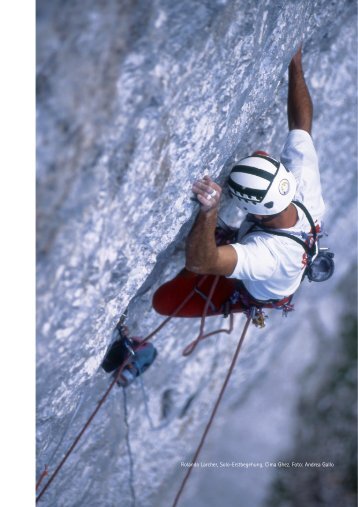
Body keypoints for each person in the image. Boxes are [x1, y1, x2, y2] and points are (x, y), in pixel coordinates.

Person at [153, 47, 325, 317]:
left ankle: (231, 278)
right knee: (260, 157)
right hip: (281, 248)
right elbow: (301, 125)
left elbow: (199, 263)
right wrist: (295, 62)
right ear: (287, 181)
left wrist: (209, 211)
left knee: (165, 301)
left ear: (256, 213)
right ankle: (225, 246)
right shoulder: (303, 183)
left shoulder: (267, 256)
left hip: (260, 283)